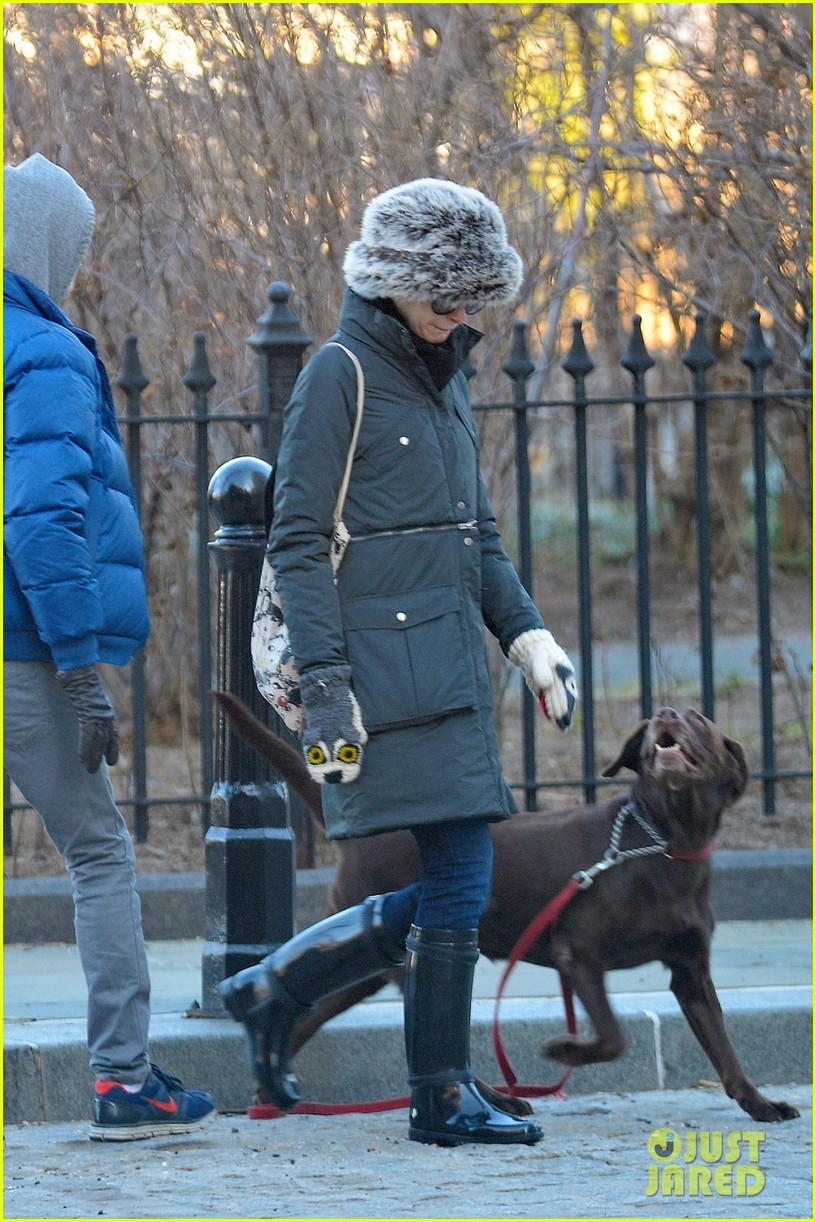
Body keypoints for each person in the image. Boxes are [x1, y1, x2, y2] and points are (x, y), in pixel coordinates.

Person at [220, 178, 577, 1147]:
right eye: (446, 297)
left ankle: (285, 987)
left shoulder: (442, 369)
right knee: (462, 870)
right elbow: (294, 541)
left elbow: (478, 534)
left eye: (473, 298)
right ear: (394, 285)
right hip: (379, 683)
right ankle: (436, 1092)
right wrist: (327, 684)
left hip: (454, 670)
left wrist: (529, 637)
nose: (462, 316)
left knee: (460, 876)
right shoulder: (340, 372)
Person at [3, 153, 217, 1142]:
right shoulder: (40, 350)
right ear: (45, 243)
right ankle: (125, 1079)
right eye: (75, 247)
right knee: (100, 852)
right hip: (26, 651)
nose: (77, 267)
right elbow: (40, 524)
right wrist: (81, 666)